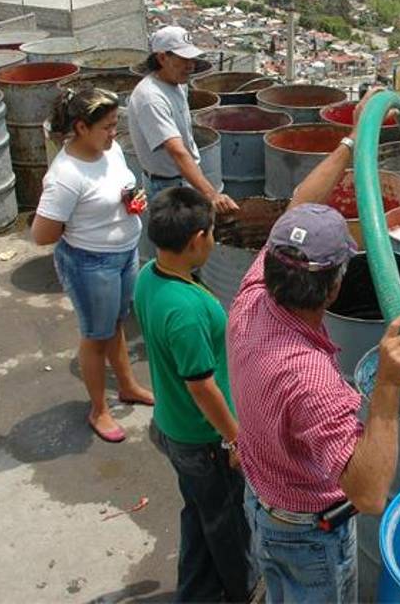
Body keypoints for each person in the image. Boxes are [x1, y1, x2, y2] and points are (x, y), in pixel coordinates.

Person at [227, 87, 400, 603]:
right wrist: (386, 387)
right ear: (338, 285)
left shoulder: (252, 295)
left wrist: (349, 143)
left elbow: (298, 205)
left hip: (265, 499)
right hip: (307, 534)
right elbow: (367, 493)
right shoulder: (311, 380)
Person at [135, 187, 256, 602]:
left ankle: (195, 592)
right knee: (227, 524)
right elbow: (202, 386)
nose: (214, 239)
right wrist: (235, 437)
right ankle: (243, 593)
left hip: (172, 425)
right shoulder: (185, 311)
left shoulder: (149, 276)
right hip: (202, 438)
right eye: (211, 233)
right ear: (195, 241)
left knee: (200, 512)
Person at [32, 86, 153, 444]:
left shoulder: (110, 151)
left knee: (115, 323)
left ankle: (128, 385)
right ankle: (98, 408)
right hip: (90, 262)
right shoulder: (66, 176)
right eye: (108, 126)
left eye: (116, 125)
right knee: (96, 336)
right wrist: (82, 222)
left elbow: (118, 187)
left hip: (123, 253)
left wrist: (132, 200)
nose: (114, 133)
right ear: (82, 127)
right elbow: (42, 234)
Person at [127, 25, 236, 215]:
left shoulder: (177, 84)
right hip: (166, 186)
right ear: (162, 58)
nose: (191, 66)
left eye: (192, 59)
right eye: (184, 59)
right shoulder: (151, 98)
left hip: (184, 178)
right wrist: (211, 194)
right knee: (175, 242)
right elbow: (177, 151)